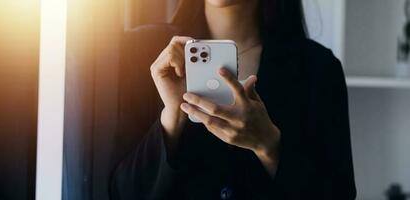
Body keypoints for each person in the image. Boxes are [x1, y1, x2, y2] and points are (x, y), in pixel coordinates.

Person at [111, 0, 357, 199]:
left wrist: (268, 145)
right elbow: (120, 192)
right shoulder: (144, 52)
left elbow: (338, 193)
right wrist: (173, 115)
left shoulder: (318, 68)